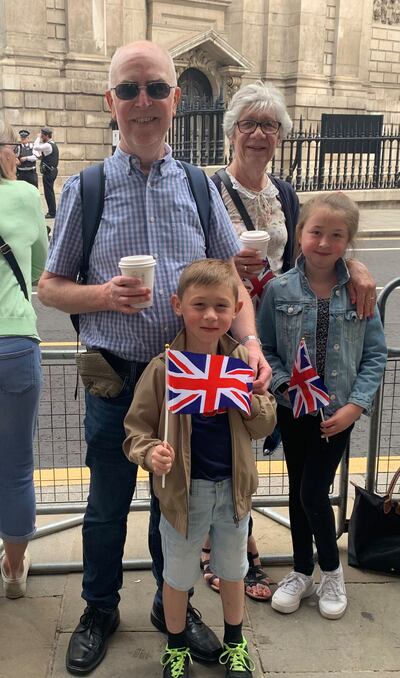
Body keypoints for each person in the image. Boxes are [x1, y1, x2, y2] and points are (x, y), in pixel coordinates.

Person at [37, 40, 271, 676]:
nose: (145, 101)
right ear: (111, 101)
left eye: (158, 89)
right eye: (131, 90)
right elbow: (51, 286)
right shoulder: (86, 187)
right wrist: (104, 295)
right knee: (107, 506)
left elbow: (230, 279)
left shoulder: (198, 186)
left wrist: (248, 344)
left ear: (175, 99)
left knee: (180, 507)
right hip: (117, 383)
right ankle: (98, 608)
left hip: (194, 384)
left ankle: (175, 610)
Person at [203, 80, 378, 602]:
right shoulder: (207, 188)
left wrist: (356, 264)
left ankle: (303, 566)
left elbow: (316, 246)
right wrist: (225, 267)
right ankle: (232, 553)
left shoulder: (283, 193)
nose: (259, 134)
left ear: (280, 135)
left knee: (270, 446)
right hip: (226, 330)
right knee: (225, 445)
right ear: (231, 131)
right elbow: (190, 262)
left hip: (279, 327)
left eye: (270, 125)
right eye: (249, 124)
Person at [123, 259, 277, 677]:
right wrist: (151, 452)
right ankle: (175, 648)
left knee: (233, 571)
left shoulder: (241, 363)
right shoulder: (164, 369)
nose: (210, 316)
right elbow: (135, 430)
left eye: (221, 307)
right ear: (178, 305)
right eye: (199, 305)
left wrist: (253, 398)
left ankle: (235, 642)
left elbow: (263, 425)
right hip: (182, 495)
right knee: (177, 576)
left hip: (233, 491)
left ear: (234, 310)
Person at [258, 192, 387, 620]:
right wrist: (282, 385)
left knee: (314, 491)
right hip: (295, 409)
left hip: (337, 413)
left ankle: (330, 569)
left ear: (348, 242)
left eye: (337, 235)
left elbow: (373, 355)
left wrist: (354, 407)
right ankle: (300, 570)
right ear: (300, 234)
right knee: (300, 492)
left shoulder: (359, 292)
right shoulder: (278, 290)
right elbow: (267, 350)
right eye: (316, 232)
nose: (324, 242)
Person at [0, 120, 48, 599]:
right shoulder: (23, 197)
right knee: (14, 466)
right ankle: (13, 570)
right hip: (12, 341)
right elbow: (38, 267)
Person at [33, 127, 59, 218]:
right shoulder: (52, 144)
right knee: (50, 191)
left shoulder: (48, 145)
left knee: (48, 193)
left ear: (47, 136)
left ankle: (52, 213)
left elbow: (36, 147)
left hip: (49, 172)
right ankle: (52, 211)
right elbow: (48, 156)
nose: (42, 137)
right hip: (52, 170)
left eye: (42, 135)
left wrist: (37, 138)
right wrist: (41, 158)